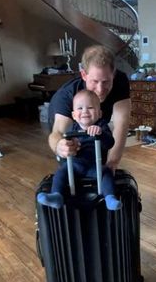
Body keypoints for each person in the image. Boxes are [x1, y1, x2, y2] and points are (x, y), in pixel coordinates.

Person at [48, 44, 131, 172]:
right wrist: (59, 146)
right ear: (84, 75)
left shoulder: (120, 81)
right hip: (68, 123)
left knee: (100, 164)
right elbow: (57, 132)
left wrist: (112, 164)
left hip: (96, 123)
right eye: (95, 81)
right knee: (70, 164)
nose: (100, 89)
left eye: (106, 81)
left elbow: (122, 125)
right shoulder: (66, 95)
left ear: (113, 74)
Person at [38, 89, 122, 211]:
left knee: (107, 173)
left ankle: (110, 198)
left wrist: (100, 133)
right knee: (61, 172)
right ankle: (57, 196)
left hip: (95, 167)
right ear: (73, 115)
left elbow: (110, 143)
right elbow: (66, 146)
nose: (85, 111)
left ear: (99, 113)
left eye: (90, 108)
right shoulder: (73, 128)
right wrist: (70, 144)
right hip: (75, 166)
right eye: (80, 108)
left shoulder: (101, 126)